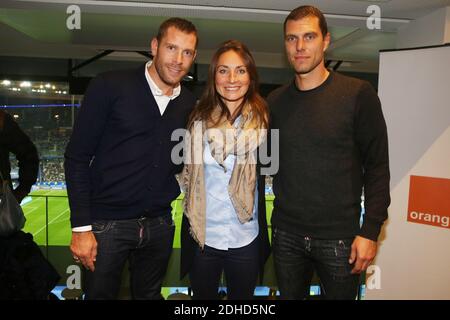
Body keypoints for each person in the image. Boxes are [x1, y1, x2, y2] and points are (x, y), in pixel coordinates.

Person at [64, 17, 198, 300]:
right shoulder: (109, 85)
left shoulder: (188, 103)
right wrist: (81, 228)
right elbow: (76, 157)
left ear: (194, 57)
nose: (178, 60)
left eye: (187, 52)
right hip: (106, 226)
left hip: (160, 225)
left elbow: (177, 160)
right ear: (154, 46)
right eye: (171, 48)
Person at [268, 5, 390, 300]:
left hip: (341, 239)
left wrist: (370, 231)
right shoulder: (274, 101)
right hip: (286, 236)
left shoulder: (358, 94)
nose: (299, 47)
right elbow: (262, 159)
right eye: (291, 38)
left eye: (308, 37)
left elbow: (377, 167)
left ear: (325, 41)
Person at [180, 40, 271, 300]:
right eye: (223, 70)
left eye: (241, 70)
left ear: (250, 76)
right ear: (214, 76)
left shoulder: (265, 120)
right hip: (203, 238)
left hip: (246, 237)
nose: (232, 78)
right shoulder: (195, 118)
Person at [0, 110, 39, 204]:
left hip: (3, 199)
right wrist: (23, 190)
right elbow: (29, 153)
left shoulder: (1, 120)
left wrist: (22, 190)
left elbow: (28, 153)